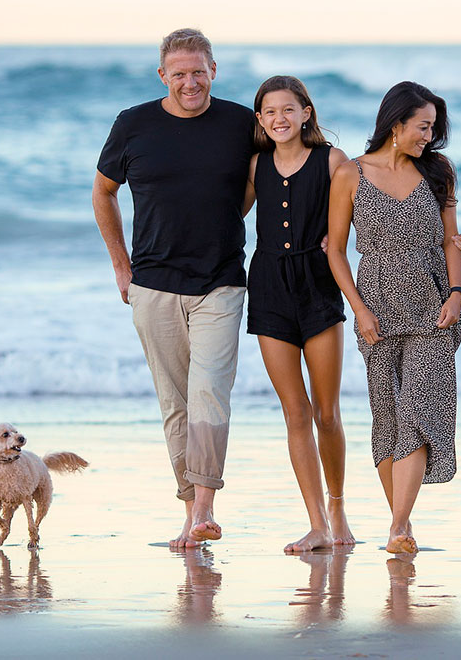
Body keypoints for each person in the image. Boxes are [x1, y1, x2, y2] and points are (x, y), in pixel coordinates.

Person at [92, 28, 256, 549]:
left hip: (222, 280)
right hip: (153, 284)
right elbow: (103, 192)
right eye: (179, 73)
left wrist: (223, 224)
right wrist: (122, 265)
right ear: (163, 75)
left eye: (199, 71)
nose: (191, 82)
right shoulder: (133, 124)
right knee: (175, 402)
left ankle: (204, 507)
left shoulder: (239, 122)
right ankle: (190, 511)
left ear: (214, 70)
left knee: (210, 393)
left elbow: (262, 180)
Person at [327, 80, 461, 555]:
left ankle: (400, 525)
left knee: (416, 411)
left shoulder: (439, 171)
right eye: (423, 127)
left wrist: (456, 292)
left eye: (433, 128)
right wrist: (358, 309)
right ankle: (400, 528)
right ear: (396, 122)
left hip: (432, 305)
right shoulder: (349, 174)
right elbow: (337, 252)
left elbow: (450, 240)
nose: (429, 136)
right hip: (377, 307)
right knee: (385, 418)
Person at [246, 76, 356, 552]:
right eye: (270, 112)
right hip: (268, 287)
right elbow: (224, 217)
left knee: (326, 413)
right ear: (260, 120)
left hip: (318, 286)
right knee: (296, 412)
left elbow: (363, 213)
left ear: (306, 113)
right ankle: (315, 523)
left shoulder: (332, 161)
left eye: (288, 109)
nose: (279, 119)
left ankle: (336, 505)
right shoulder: (255, 166)